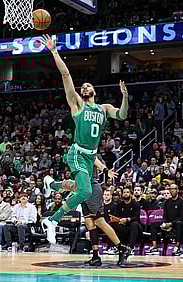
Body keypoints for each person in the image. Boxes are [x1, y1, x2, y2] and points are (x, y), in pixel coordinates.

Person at [40, 34, 129, 244]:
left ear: (95, 91)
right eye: (83, 87)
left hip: (90, 158)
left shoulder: (104, 108)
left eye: (89, 85)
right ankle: (52, 220)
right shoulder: (78, 105)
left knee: (79, 189)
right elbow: (66, 75)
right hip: (78, 152)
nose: (85, 87)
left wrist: (125, 97)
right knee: (87, 191)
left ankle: (52, 185)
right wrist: (54, 51)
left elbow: (123, 115)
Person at [44, 157, 131, 266]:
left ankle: (121, 248)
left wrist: (105, 171)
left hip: (92, 189)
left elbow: (96, 161)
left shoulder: (87, 152)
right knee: (89, 224)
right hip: (83, 190)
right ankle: (95, 256)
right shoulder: (76, 157)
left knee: (100, 222)